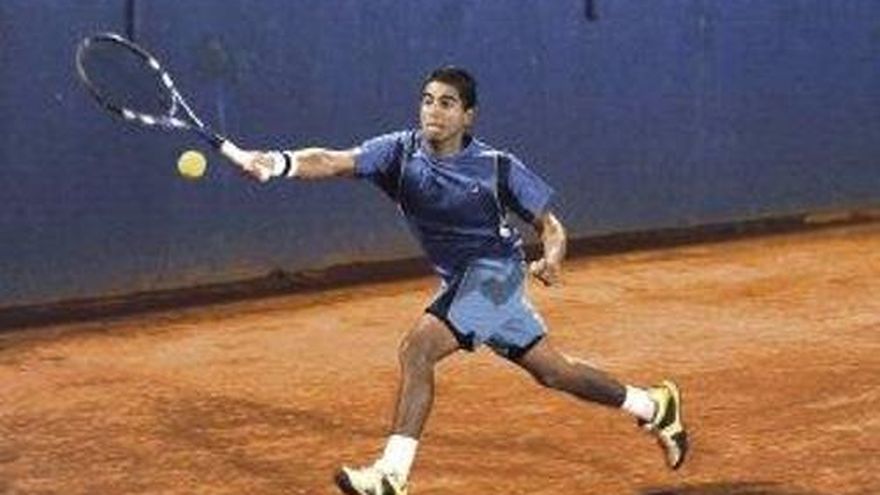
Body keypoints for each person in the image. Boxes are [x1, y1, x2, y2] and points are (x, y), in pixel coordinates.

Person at [221, 66, 688, 495]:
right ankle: (653, 405)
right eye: (427, 100)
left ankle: (391, 475)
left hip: (498, 278)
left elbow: (550, 225)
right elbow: (333, 160)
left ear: (468, 115)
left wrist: (551, 258)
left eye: (447, 103)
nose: (433, 111)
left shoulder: (498, 165)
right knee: (554, 372)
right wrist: (276, 163)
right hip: (461, 282)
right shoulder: (399, 152)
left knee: (417, 349)